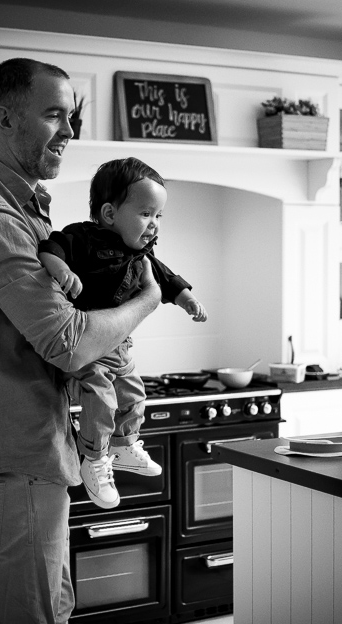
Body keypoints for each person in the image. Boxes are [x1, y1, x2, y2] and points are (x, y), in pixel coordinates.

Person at [0, 58, 162, 624]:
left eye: (72, 116)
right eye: (54, 115)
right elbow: (69, 345)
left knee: (47, 614)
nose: (71, 131)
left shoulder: (26, 209)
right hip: (13, 460)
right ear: (4, 120)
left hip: (25, 455)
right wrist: (149, 299)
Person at [39, 157, 207, 509]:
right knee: (102, 397)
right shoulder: (83, 237)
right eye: (146, 214)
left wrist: (186, 298)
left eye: (159, 216)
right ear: (110, 214)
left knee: (133, 392)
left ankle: (124, 444)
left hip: (120, 346)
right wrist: (57, 266)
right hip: (90, 345)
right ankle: (95, 460)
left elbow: (166, 278)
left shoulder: (142, 254)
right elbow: (52, 246)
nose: (154, 225)